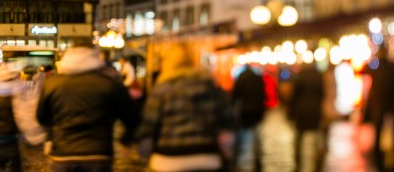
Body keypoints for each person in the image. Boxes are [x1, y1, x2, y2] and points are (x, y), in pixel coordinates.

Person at [36, 39, 140, 171]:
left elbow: (42, 117)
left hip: (63, 153)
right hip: (98, 154)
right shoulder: (108, 83)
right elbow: (130, 116)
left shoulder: (52, 84)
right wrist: (127, 138)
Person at [135, 43, 234, 172]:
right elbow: (227, 123)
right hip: (206, 157)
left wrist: (145, 155)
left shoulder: (161, 89)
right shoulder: (211, 86)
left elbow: (147, 128)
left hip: (168, 159)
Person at [362, 45, 394, 172]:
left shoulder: (378, 68)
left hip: (380, 104)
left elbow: (362, 71)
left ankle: (379, 160)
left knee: (379, 131)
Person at [287, 62, 327, 172]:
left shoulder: (300, 76)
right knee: (315, 138)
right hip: (315, 111)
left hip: (302, 111)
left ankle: (298, 162)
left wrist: (290, 114)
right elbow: (322, 94)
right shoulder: (318, 76)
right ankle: (316, 164)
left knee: (300, 138)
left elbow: (294, 96)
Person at [231, 64, 266, 171]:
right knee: (256, 133)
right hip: (257, 110)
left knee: (243, 135)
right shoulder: (258, 78)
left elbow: (235, 95)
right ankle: (257, 158)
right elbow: (263, 94)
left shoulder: (241, 78)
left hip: (245, 110)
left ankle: (241, 159)